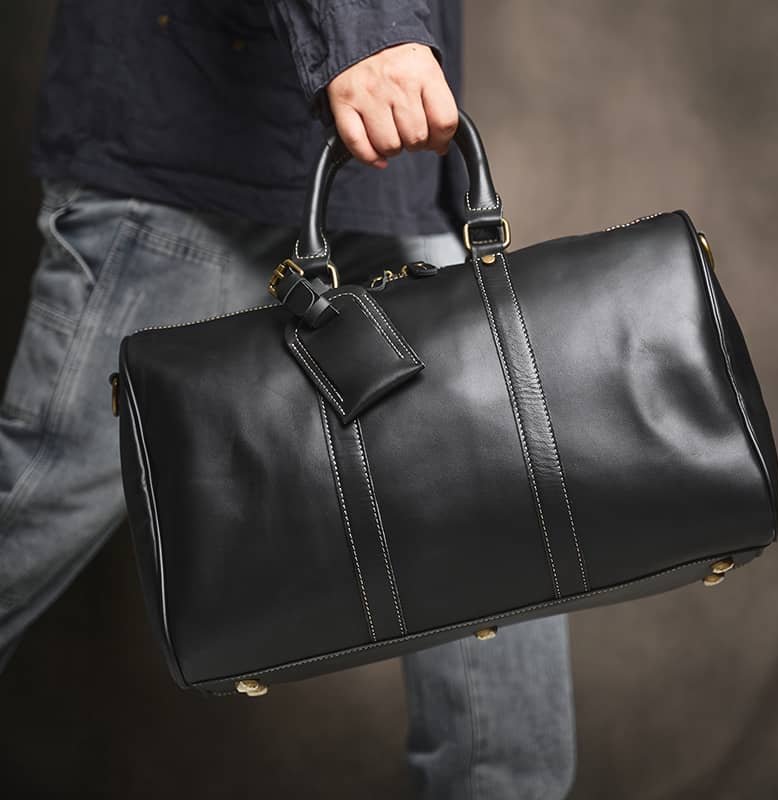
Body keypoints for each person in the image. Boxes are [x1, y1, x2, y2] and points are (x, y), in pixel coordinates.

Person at [0, 2, 576, 797]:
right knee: (31, 511)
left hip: (394, 175)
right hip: (198, 153)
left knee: (496, 523)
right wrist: (366, 29)